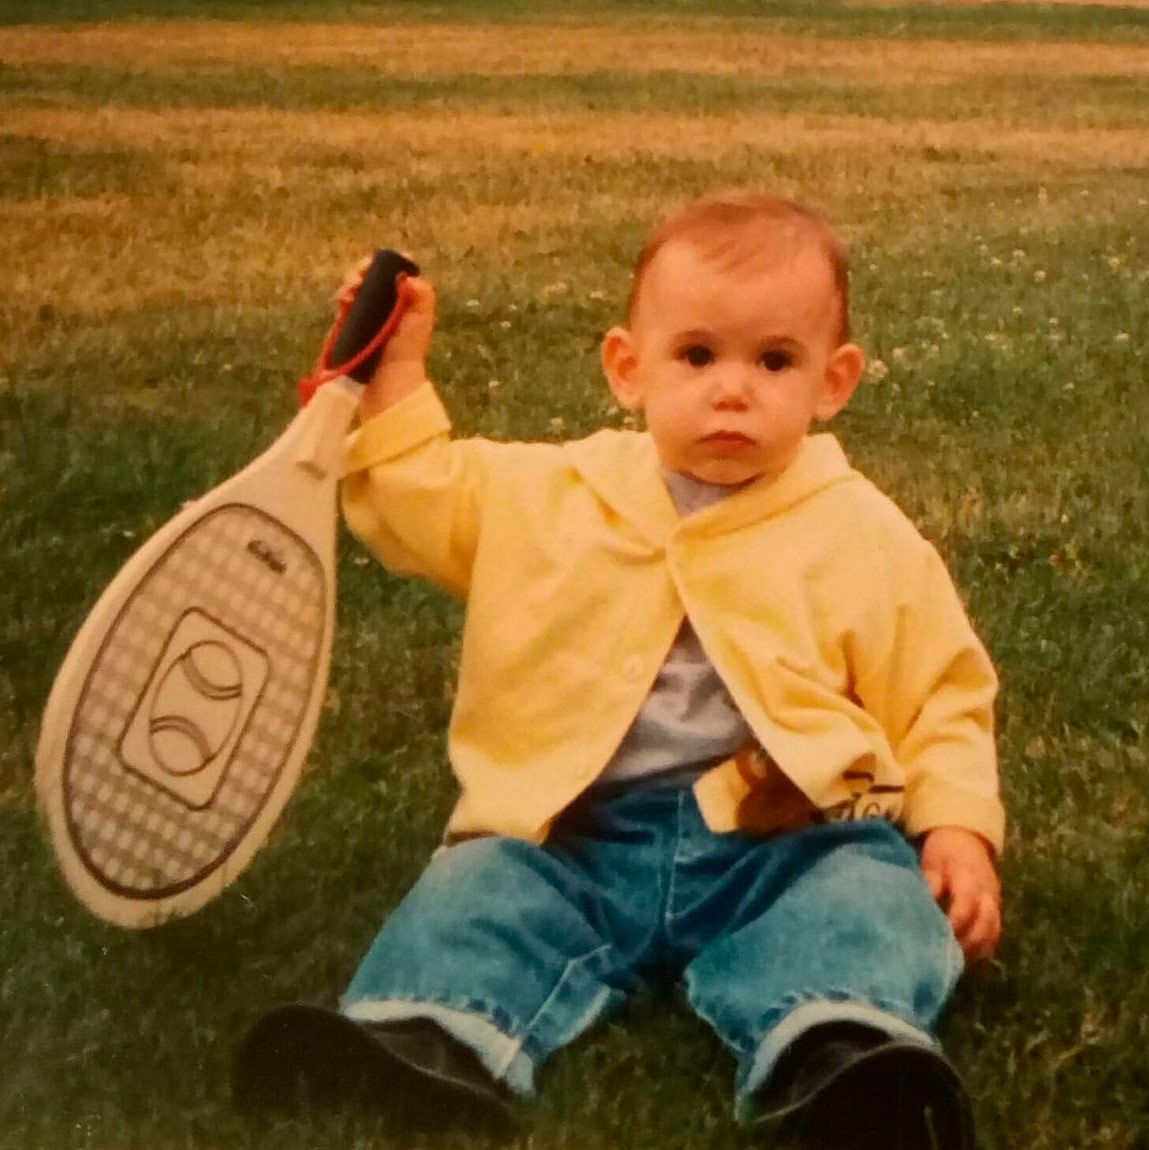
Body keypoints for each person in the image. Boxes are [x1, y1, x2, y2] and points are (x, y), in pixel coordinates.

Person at [233, 192, 1004, 1149]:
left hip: (779, 835)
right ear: (626, 369)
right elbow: (416, 494)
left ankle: (837, 1044)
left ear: (833, 381)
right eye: (696, 355)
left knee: (864, 890)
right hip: (573, 834)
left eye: (773, 361)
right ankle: (425, 1034)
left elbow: (940, 690)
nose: (733, 389)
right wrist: (393, 369)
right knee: (481, 890)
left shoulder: (858, 529)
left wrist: (957, 827)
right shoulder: (550, 492)